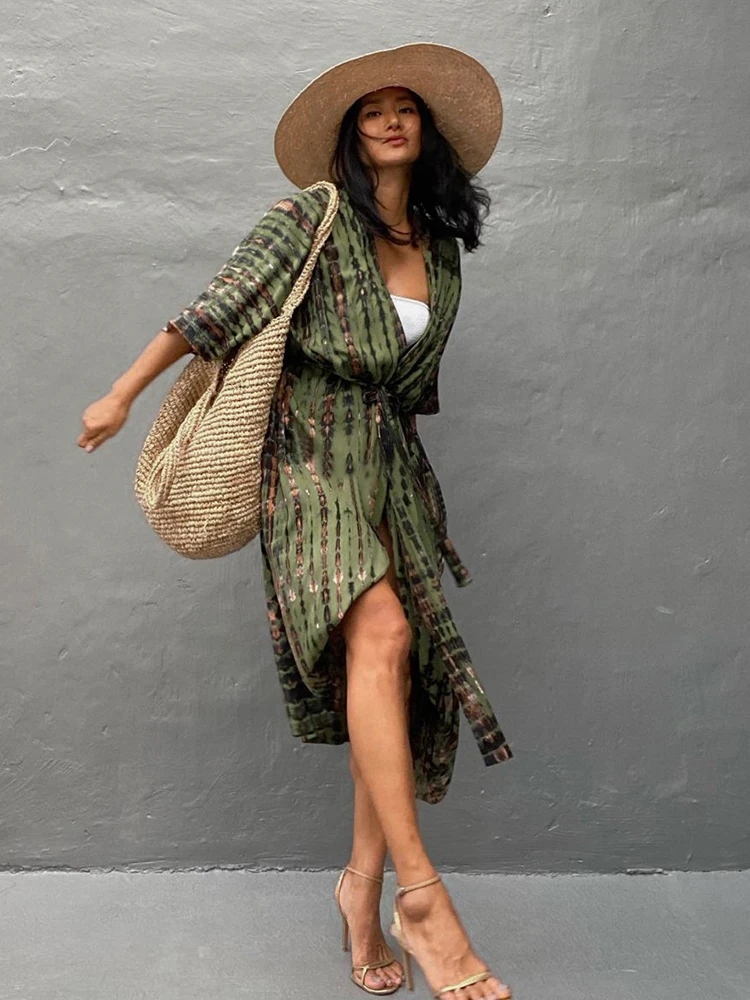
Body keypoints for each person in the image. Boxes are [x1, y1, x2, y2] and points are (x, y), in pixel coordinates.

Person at [78, 42, 513, 1000]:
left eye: (406, 108)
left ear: (427, 131)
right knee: (383, 637)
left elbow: (413, 387)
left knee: (387, 674)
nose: (391, 120)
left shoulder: (438, 247)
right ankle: (423, 899)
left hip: (388, 469)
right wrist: (120, 394)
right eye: (372, 111)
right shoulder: (308, 218)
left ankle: (360, 888)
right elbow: (214, 311)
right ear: (352, 135)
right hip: (308, 459)